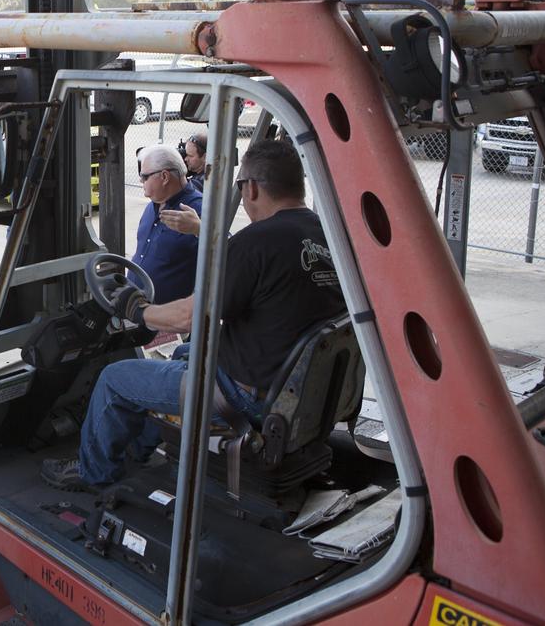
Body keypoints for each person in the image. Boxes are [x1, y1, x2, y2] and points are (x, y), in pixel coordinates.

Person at [43, 140, 345, 491]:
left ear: (251, 187)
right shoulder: (325, 235)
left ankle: (93, 471)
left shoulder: (259, 242)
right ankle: (144, 448)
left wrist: (137, 310)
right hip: (289, 385)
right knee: (185, 353)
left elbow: (189, 317)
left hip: (241, 395)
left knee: (114, 378)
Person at [130, 145, 203, 306]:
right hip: (136, 310)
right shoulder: (153, 205)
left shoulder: (198, 209)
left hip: (167, 322)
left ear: (164, 177)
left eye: (144, 177)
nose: (141, 181)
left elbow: (230, 249)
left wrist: (200, 229)